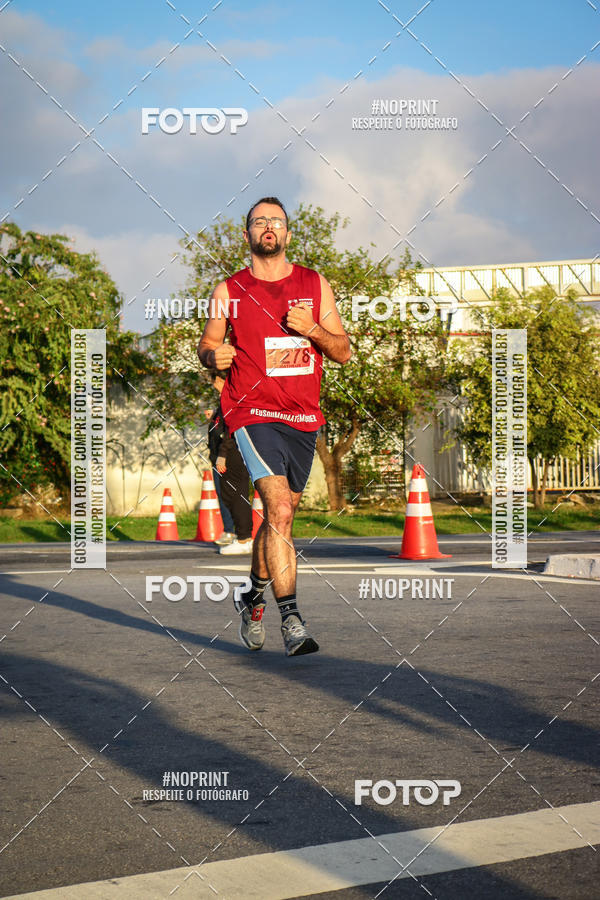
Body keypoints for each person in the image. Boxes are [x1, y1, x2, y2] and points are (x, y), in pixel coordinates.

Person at [197, 196, 351, 656]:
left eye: (276, 222)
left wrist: (313, 330)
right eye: (259, 221)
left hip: (303, 417)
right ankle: (293, 620)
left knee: (280, 520)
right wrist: (213, 355)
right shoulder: (228, 291)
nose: (268, 227)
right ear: (247, 234)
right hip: (251, 412)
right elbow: (207, 342)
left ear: (287, 234)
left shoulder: (314, 283)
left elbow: (342, 351)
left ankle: (251, 597)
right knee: (279, 509)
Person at [206, 370, 253, 554]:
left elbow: (232, 431)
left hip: (234, 455)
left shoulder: (233, 399)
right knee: (229, 496)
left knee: (237, 495)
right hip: (227, 455)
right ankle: (241, 537)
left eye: (215, 381)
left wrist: (223, 454)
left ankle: (244, 539)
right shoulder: (225, 400)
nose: (214, 385)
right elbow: (223, 426)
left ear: (223, 380)